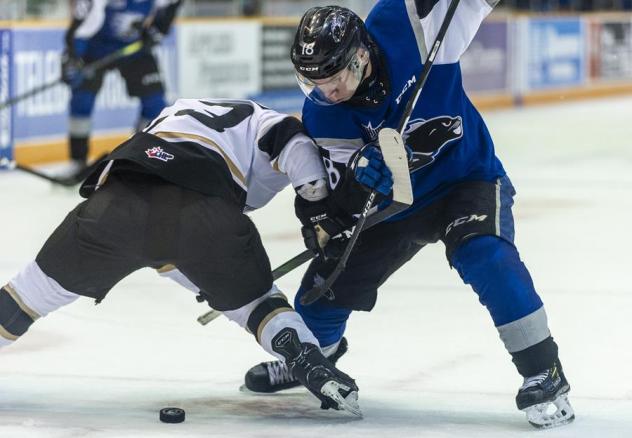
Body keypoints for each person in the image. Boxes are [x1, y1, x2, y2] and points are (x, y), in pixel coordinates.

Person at [242, 1, 574, 429]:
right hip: (395, 204)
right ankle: (313, 358)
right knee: (327, 285)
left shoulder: (413, 23)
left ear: (360, 55)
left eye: (334, 77)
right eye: (315, 82)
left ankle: (543, 370)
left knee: (485, 255)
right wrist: (358, 180)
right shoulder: (323, 113)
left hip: (465, 178)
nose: (328, 92)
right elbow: (337, 201)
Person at [0, 98, 361, 417]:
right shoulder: (265, 120)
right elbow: (292, 141)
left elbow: (160, 234)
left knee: (25, 296)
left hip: (115, 203)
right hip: (206, 214)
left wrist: (199, 278)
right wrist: (318, 211)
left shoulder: (182, 110)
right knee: (259, 305)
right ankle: (310, 360)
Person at [60, 0, 182, 178]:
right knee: (82, 98)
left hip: (134, 48)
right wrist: (72, 58)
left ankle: (139, 157)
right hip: (95, 47)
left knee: (155, 103)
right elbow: (81, 28)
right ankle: (77, 160)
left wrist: (158, 29)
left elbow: (172, 5)